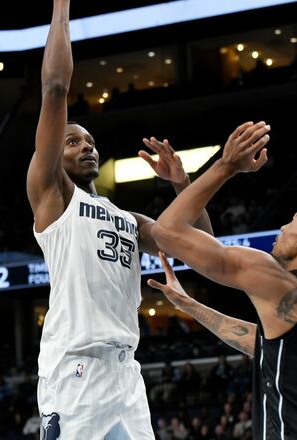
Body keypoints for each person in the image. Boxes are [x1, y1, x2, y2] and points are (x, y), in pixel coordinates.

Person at [26, 0, 212, 437]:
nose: (86, 146)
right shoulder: (53, 196)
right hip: (76, 367)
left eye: (90, 141)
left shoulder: (128, 217)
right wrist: (61, 9)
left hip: (126, 372)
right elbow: (54, 87)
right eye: (72, 141)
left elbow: (204, 247)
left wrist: (183, 185)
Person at [148, 121, 297, 439]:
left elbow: (167, 232)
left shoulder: (282, 283)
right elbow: (263, 345)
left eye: (293, 221)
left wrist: (225, 166)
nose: (282, 227)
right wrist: (191, 305)